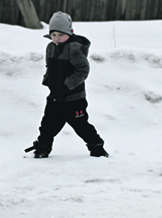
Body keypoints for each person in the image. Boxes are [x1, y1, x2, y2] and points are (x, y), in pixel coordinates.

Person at [26, 11, 108, 159]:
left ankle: (96, 146)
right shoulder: (50, 47)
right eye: (53, 34)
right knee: (47, 125)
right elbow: (50, 67)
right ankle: (43, 147)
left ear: (70, 33)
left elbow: (83, 70)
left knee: (81, 125)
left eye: (61, 35)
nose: (57, 38)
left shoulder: (74, 48)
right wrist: (48, 80)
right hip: (55, 96)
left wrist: (67, 84)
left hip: (73, 98)